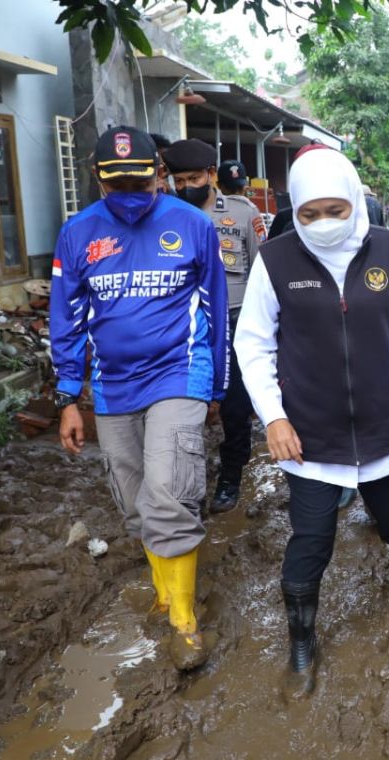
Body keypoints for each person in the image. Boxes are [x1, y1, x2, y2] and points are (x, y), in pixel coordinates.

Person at [234, 146, 389, 700]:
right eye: (309, 213)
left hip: (385, 427)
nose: (323, 223)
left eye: (335, 210)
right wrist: (273, 418)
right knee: (310, 538)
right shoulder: (275, 261)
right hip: (310, 435)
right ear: (293, 210)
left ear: (355, 201)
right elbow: (252, 345)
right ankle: (301, 640)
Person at [51, 127, 228, 670]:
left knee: (169, 489)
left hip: (179, 372)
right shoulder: (77, 233)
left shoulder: (193, 225)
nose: (131, 190)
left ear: (159, 175)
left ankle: (184, 619)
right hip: (111, 384)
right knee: (134, 501)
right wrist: (66, 394)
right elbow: (67, 314)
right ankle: (164, 589)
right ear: (99, 181)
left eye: (141, 179)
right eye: (117, 182)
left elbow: (215, 306)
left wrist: (215, 384)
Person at [161, 138, 267, 515]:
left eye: (194, 177)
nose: (187, 185)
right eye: (179, 179)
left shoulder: (241, 213)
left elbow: (263, 271)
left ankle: (231, 474)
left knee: (235, 408)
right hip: (184, 325)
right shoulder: (164, 217)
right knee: (183, 403)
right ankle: (184, 478)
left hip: (235, 323)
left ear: (210, 174)